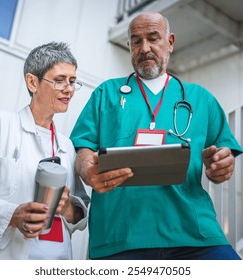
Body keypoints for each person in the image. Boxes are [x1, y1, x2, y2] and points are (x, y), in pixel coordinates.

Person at [70, 12, 243, 260]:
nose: (145, 48)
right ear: (129, 46)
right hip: (121, 236)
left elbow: (223, 157)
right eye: (136, 41)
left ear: (170, 42)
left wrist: (221, 166)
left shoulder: (199, 99)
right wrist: (88, 171)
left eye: (153, 38)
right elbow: (83, 149)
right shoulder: (106, 93)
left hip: (193, 234)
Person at [0, 42, 90, 259]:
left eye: (72, 81)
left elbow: (79, 212)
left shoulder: (67, 146)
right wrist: (12, 215)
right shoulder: (0, 124)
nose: (68, 89)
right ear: (33, 82)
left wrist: (67, 207)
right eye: (59, 80)